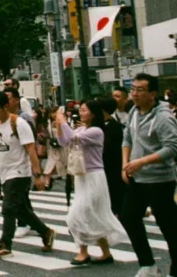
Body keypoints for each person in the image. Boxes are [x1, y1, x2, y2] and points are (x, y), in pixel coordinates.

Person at [120, 71, 177, 277]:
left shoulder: (163, 117)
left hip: (160, 179)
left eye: (140, 90)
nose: (135, 94)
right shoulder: (133, 112)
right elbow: (127, 139)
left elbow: (172, 148)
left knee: (167, 226)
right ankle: (147, 264)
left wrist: (141, 162)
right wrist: (126, 163)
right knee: (128, 218)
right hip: (138, 178)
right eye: (133, 89)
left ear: (153, 94)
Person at [0, 91, 55, 259]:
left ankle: (5, 244)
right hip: (4, 173)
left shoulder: (19, 124)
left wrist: (38, 176)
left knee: (8, 208)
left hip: (19, 172)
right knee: (20, 210)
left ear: (6, 106)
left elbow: (31, 150)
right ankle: (46, 232)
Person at [56, 102, 124, 267]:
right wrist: (59, 125)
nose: (81, 112)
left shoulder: (97, 131)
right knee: (94, 214)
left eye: (84, 110)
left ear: (93, 114)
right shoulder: (81, 130)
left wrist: (62, 120)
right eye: (80, 110)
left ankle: (83, 252)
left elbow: (72, 138)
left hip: (94, 176)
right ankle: (105, 253)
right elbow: (65, 142)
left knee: (79, 214)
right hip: (82, 176)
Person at [99, 97, 127, 216]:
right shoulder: (105, 125)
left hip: (112, 167)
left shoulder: (113, 127)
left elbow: (107, 148)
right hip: (108, 167)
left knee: (115, 195)